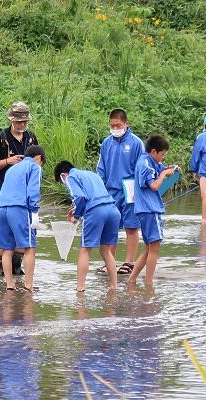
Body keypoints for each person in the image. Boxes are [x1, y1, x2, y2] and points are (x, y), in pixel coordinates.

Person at [0, 101, 39, 275]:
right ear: (11, 120)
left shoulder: (31, 138)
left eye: (25, 122)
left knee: (22, 227)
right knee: (0, 228)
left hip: (23, 191)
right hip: (3, 190)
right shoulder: (1, 138)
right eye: (18, 122)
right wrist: (9, 161)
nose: (22, 125)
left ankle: (16, 267)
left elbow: (37, 163)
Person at [54, 160, 121, 292]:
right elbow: (95, 196)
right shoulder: (92, 175)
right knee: (106, 250)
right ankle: (114, 286)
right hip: (113, 211)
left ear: (63, 175)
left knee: (85, 250)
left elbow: (80, 198)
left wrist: (76, 216)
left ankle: (80, 288)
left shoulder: (71, 177)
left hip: (96, 212)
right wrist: (77, 210)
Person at [96, 108, 144, 274]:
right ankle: (110, 262)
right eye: (112, 126)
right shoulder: (107, 143)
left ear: (126, 124)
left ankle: (129, 263)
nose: (115, 129)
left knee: (131, 227)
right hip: (111, 191)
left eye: (118, 125)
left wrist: (141, 190)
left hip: (130, 189)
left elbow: (141, 168)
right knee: (111, 228)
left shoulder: (136, 143)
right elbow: (101, 169)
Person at [0, 145, 45, 291]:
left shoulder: (12, 168)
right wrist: (35, 212)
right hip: (19, 208)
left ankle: (10, 285)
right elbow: (33, 191)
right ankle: (28, 286)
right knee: (30, 247)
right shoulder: (35, 167)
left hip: (2, 208)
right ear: (39, 158)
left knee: (7, 249)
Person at [127, 134, 175, 285]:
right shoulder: (145, 164)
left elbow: (160, 169)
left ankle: (131, 280)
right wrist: (163, 174)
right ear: (154, 151)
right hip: (150, 210)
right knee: (154, 248)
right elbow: (154, 185)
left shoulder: (147, 160)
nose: (163, 157)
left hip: (144, 210)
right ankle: (149, 284)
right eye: (162, 154)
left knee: (149, 248)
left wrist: (168, 169)